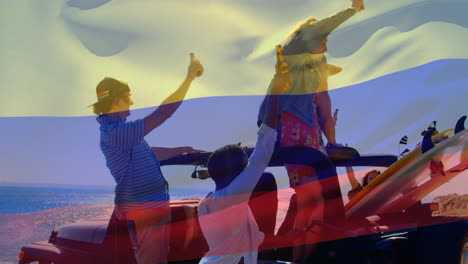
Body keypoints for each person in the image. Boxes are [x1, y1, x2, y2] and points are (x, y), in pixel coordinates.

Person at [257, 0, 366, 261]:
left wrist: (333, 140)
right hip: (288, 127)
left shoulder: (321, 62)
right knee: (311, 199)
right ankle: (300, 258)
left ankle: (304, 256)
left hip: (310, 132)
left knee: (315, 203)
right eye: (322, 37)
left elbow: (324, 100)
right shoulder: (293, 53)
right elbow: (316, 32)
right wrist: (351, 10)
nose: (326, 41)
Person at [92, 54, 204, 264]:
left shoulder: (120, 131)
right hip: (145, 211)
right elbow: (163, 113)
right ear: (115, 100)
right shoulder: (116, 133)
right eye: (128, 96)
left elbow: (148, 153)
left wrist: (180, 150)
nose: (132, 101)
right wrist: (188, 79)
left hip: (149, 209)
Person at [198, 47, 291, 264]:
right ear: (234, 173)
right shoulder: (231, 197)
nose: (250, 174)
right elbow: (263, 151)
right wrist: (276, 90)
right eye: (244, 167)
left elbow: (247, 238)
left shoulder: (211, 202)